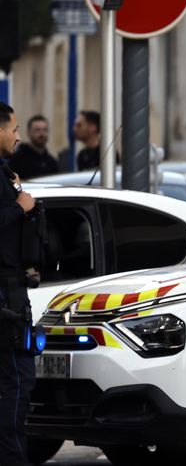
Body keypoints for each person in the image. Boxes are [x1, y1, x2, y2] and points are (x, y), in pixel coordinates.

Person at [0, 103, 38, 466]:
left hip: (12, 287)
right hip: (4, 297)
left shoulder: (6, 173)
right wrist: (20, 207)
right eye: (13, 128)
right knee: (17, 382)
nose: (17, 135)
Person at [8, 115, 57, 180]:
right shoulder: (17, 160)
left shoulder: (52, 162)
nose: (42, 134)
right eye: (37, 130)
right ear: (28, 132)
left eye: (45, 130)